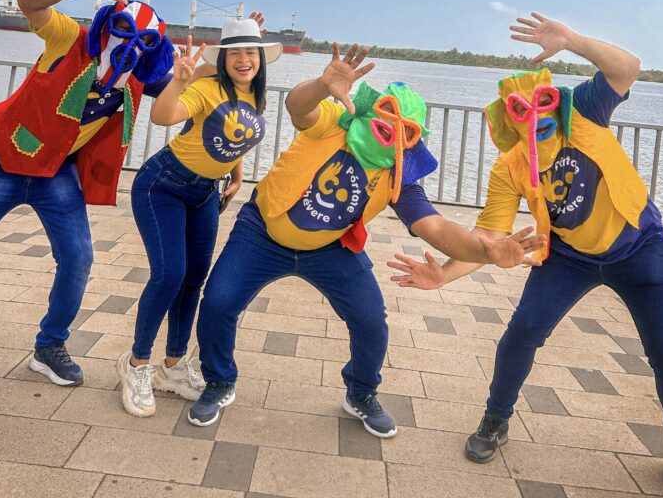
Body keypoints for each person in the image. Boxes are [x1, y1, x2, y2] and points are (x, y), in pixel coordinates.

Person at [388, 12, 663, 495]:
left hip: (640, 246)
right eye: (520, 112)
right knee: (522, 334)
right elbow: (488, 237)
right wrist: (444, 273)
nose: (535, 118)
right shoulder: (509, 168)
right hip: (569, 256)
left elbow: (627, 67)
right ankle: (495, 420)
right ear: (508, 121)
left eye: (542, 106)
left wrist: (573, 41)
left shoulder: (584, 110)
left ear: (555, 104)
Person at [187, 43, 545, 437]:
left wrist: (486, 251)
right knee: (219, 301)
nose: (390, 133)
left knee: (371, 319)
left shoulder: (398, 178)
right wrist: (324, 85)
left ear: (413, 142)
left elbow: (436, 227)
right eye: (385, 119)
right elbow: (297, 107)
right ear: (370, 110)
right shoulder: (335, 120)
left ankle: (360, 393)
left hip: (331, 249)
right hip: (263, 232)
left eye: (404, 132)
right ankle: (219, 381)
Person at [0, 0, 175, 387]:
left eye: (143, 40)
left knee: (77, 258)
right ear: (107, 24)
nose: (128, 44)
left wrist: (230, 58)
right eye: (122, 30)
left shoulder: (138, 77)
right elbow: (26, 1)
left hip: (56, 172)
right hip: (0, 160)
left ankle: (50, 346)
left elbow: (194, 89)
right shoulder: (68, 39)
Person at [117, 15, 283, 417]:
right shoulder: (207, 87)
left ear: (260, 57)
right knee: (169, 274)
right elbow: (164, 117)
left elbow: (235, 135)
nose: (244, 59)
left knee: (194, 279)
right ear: (222, 60)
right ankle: (137, 365)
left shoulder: (253, 97)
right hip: (164, 185)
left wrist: (238, 172)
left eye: (250, 51)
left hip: (206, 193)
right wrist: (179, 79)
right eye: (235, 53)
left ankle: (172, 368)